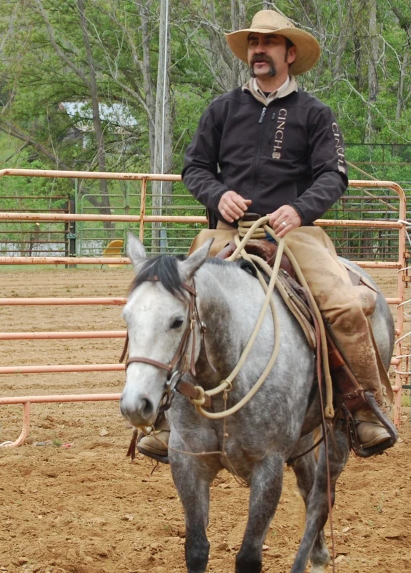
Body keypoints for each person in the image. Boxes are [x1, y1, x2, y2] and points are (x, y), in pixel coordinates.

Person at [137, 9, 394, 463]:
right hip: (226, 231)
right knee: (169, 299)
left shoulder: (315, 113)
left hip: (295, 234)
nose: (258, 50)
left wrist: (299, 209)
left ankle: (365, 407)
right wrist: (218, 196)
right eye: (253, 42)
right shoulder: (222, 109)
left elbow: (333, 176)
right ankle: (161, 417)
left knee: (343, 305)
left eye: (269, 43)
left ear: (289, 54)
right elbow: (194, 167)